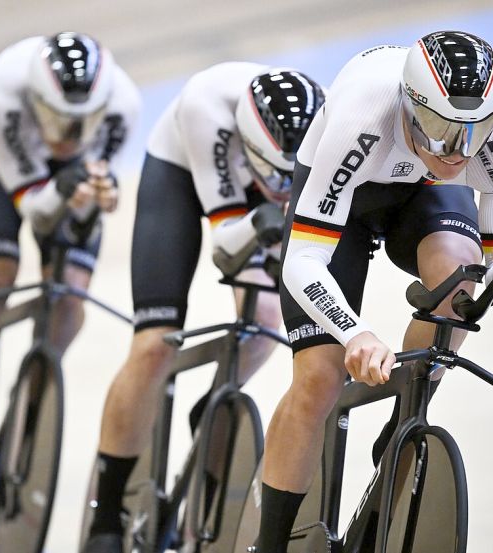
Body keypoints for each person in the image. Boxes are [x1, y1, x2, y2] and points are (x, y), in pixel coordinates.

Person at [255, 31, 493, 551]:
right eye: (439, 129)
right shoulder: (364, 115)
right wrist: (354, 332)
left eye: (475, 132)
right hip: (348, 191)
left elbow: (492, 295)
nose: (458, 151)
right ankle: (269, 542)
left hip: (424, 194)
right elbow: (302, 260)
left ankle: (406, 413)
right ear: (409, 106)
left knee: (460, 283)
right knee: (319, 379)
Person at [80, 62, 326, 553]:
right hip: (179, 174)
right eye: (274, 173)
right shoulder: (205, 105)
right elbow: (225, 247)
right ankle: (107, 513)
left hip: (252, 198)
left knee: (262, 322)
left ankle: (210, 406)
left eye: (290, 177)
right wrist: (267, 217)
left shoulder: (323, 122)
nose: (283, 185)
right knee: (152, 347)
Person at [0, 31, 141, 510]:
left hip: (64, 178)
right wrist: (65, 189)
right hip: (3, 156)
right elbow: (37, 213)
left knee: (69, 301)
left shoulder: (123, 104)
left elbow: (82, 216)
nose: (69, 135)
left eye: (82, 123)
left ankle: (21, 421)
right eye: (60, 120)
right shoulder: (3, 91)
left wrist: (91, 200)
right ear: (38, 100)